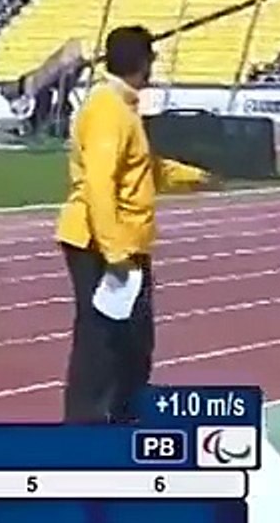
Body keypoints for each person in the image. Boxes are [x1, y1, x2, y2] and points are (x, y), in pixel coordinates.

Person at [56, 25, 216, 424]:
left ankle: (124, 415)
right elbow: (100, 181)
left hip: (122, 241)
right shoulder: (107, 110)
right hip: (101, 243)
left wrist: (193, 177)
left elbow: (142, 169)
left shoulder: (121, 107)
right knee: (102, 341)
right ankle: (87, 428)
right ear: (143, 63)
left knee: (133, 341)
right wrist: (113, 251)